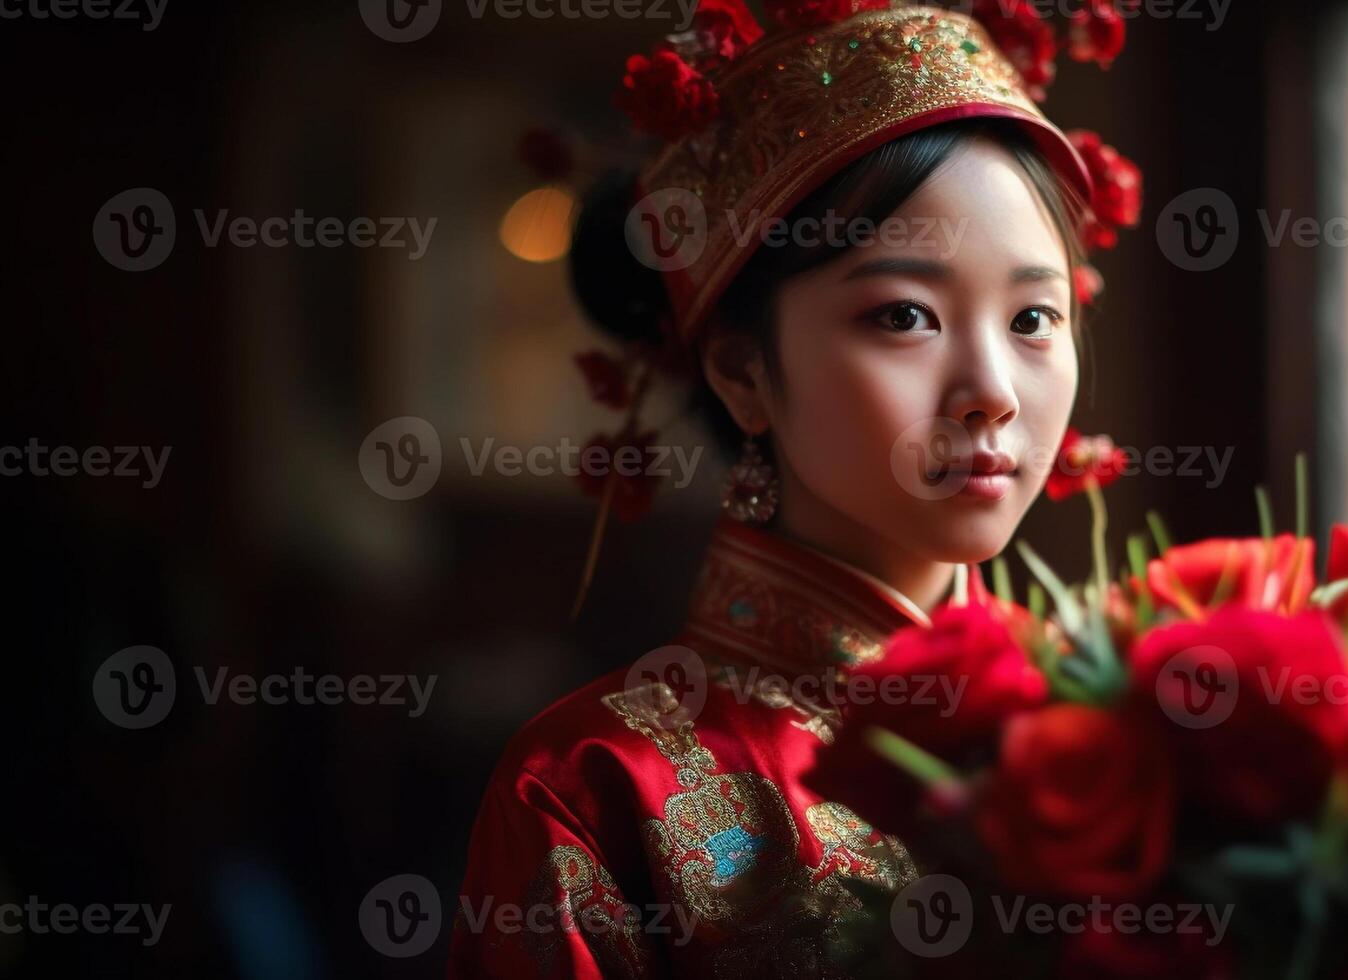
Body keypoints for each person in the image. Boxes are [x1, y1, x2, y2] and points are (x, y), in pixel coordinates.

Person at [451, 2, 1140, 975]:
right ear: (740, 371)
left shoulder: (1122, 734)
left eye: (1033, 316)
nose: (990, 390)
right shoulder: (597, 784)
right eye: (904, 314)